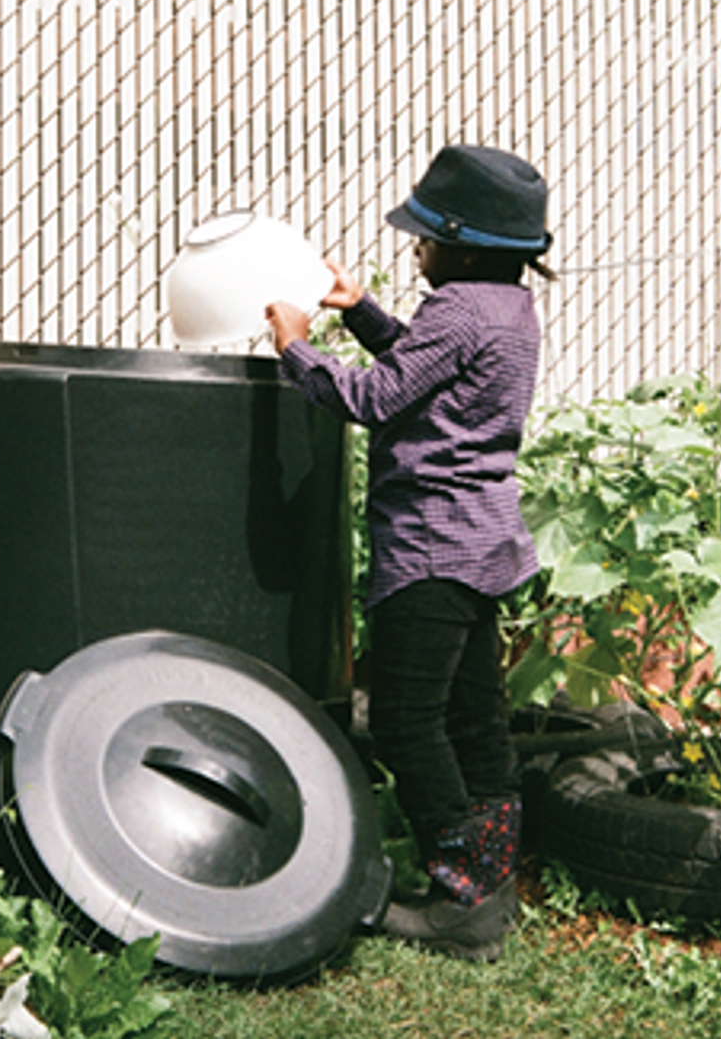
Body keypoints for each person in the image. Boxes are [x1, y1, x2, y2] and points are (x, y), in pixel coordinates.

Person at [264, 145, 553, 963]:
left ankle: (458, 900)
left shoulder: (456, 308)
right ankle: (491, 888)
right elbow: (428, 367)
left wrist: (296, 347)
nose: (413, 247)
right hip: (484, 540)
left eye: (422, 236)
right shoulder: (506, 308)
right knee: (473, 719)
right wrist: (361, 311)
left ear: (461, 246)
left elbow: (375, 395)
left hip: (430, 547)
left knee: (405, 722)